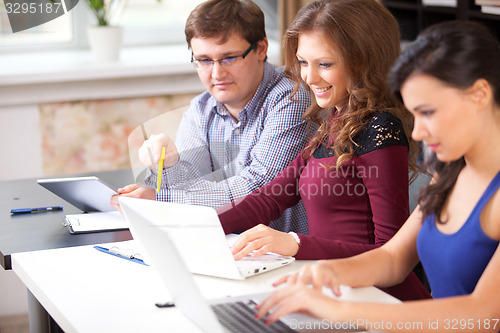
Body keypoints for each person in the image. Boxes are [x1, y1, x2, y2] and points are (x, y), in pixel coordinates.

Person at [256, 21, 500, 330]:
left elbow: (484, 315)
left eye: (428, 112)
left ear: (479, 94)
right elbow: (393, 260)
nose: (418, 131)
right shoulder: (451, 174)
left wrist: (339, 311)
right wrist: (331, 273)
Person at [216, 0, 430, 301]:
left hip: (377, 296)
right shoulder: (335, 120)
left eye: (324, 64)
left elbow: (388, 252)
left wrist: (295, 243)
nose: (309, 78)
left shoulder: (381, 129)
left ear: (362, 61)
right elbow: (270, 199)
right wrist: (199, 228)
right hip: (335, 286)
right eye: (303, 62)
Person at [110, 0, 312, 234]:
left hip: (290, 254)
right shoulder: (201, 109)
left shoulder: (291, 97)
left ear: (261, 49)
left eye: (229, 58)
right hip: (231, 245)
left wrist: (161, 198)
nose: (217, 74)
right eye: (204, 60)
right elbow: (189, 185)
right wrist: (170, 163)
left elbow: (259, 185)